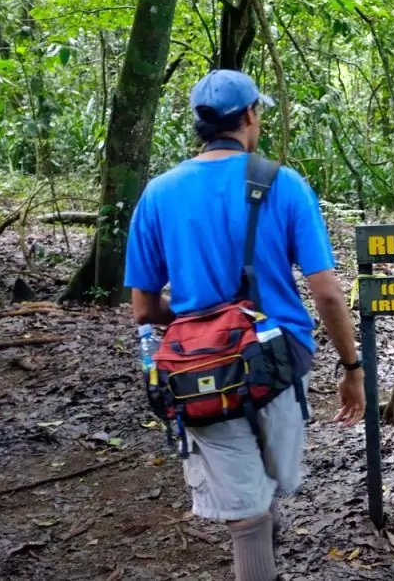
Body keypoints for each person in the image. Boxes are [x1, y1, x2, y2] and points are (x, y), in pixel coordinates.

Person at [123, 69, 365, 581]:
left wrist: (200, 320)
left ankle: (259, 549)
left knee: (246, 513)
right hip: (279, 361)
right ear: (251, 114)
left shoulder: (158, 193)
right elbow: (326, 292)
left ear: (200, 124)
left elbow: (144, 309)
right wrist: (352, 366)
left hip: (199, 368)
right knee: (268, 488)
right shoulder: (285, 183)